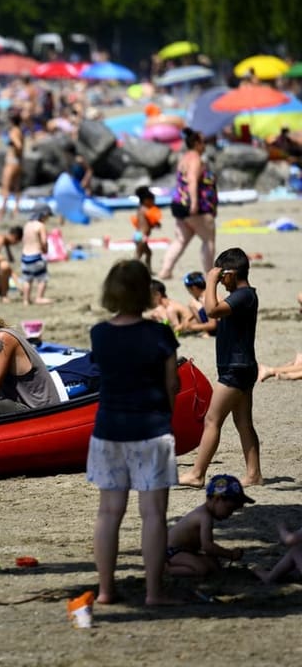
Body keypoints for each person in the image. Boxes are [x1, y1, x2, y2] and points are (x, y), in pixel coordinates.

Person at [87, 259, 180, 605]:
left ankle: (106, 591)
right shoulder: (160, 334)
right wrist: (166, 416)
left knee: (109, 513)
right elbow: (172, 384)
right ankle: (154, 592)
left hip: (109, 429)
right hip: (151, 428)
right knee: (154, 514)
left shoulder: (99, 334)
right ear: (145, 292)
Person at [179, 248, 261, 488]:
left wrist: (210, 282)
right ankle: (254, 474)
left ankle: (196, 474)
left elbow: (212, 311)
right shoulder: (241, 296)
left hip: (236, 369)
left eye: (222, 275)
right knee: (243, 422)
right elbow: (213, 311)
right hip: (240, 366)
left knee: (212, 420)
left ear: (231, 274)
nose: (221, 281)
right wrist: (214, 283)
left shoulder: (244, 295)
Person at [166, 474, 253, 578]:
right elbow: (207, 547)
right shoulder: (204, 517)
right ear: (217, 499)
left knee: (213, 566)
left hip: (185, 552)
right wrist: (230, 554)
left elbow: (209, 549)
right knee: (201, 569)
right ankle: (166, 569)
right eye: (230, 508)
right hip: (170, 552)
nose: (230, 513)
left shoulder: (206, 515)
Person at [158, 128, 217, 279]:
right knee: (208, 239)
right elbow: (192, 180)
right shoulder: (196, 159)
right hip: (193, 206)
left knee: (180, 240)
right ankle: (210, 274)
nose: (205, 145)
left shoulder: (184, 158)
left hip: (178, 204)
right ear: (196, 143)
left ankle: (165, 270)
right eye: (204, 142)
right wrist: (195, 204)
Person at [19, 205, 52, 306]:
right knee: (43, 278)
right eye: (48, 216)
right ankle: (39, 297)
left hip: (25, 257)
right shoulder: (40, 226)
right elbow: (44, 241)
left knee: (27, 279)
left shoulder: (27, 225)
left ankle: (26, 299)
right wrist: (45, 250)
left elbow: (24, 240)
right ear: (43, 215)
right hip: (36, 256)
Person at [0, 112, 25, 223]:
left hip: (11, 162)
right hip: (18, 162)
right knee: (16, 188)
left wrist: (12, 143)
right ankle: (16, 211)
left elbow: (18, 145)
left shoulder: (13, 131)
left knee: (5, 188)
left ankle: (1, 212)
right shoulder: (20, 131)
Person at [132, 187, 161, 272]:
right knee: (138, 254)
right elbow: (151, 220)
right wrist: (157, 224)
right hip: (142, 236)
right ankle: (133, 270)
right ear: (146, 201)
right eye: (153, 201)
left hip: (137, 235)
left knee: (148, 253)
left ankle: (148, 270)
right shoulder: (146, 210)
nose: (154, 203)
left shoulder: (140, 209)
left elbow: (144, 222)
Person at [181, 271, 217, 337]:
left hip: (219, 330)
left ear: (194, 288)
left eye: (188, 290)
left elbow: (213, 324)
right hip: (225, 326)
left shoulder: (205, 299)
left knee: (192, 304)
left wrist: (192, 327)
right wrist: (187, 320)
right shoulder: (212, 294)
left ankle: (206, 332)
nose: (189, 293)